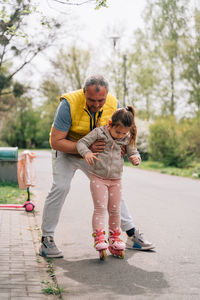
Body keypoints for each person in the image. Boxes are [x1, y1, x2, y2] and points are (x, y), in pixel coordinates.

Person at [39, 75, 154, 258]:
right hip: (68, 150)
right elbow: (56, 141)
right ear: (84, 92)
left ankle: (131, 235)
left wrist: (125, 149)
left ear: (107, 95)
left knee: (112, 187)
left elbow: (123, 131)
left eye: (101, 100)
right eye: (92, 100)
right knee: (61, 187)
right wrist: (86, 149)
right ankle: (47, 239)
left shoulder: (113, 103)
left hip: (95, 154)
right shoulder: (68, 104)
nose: (97, 104)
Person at [77, 106, 141, 259]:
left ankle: (115, 238)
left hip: (116, 180)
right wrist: (87, 153)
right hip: (98, 177)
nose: (120, 136)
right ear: (110, 123)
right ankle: (99, 237)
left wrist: (135, 157)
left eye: (124, 133)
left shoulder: (126, 137)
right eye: (118, 132)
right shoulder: (99, 133)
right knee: (100, 208)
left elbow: (133, 151)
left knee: (115, 210)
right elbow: (81, 143)